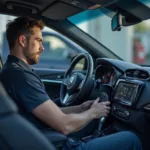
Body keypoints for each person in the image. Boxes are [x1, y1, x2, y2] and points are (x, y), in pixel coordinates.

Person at [0, 17, 143, 150]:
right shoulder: (22, 77)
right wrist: (93, 113)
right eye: (38, 40)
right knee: (131, 138)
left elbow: (50, 113)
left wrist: (80, 108)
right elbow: (64, 126)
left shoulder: (11, 71)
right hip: (52, 144)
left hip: (41, 137)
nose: (42, 48)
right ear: (23, 41)